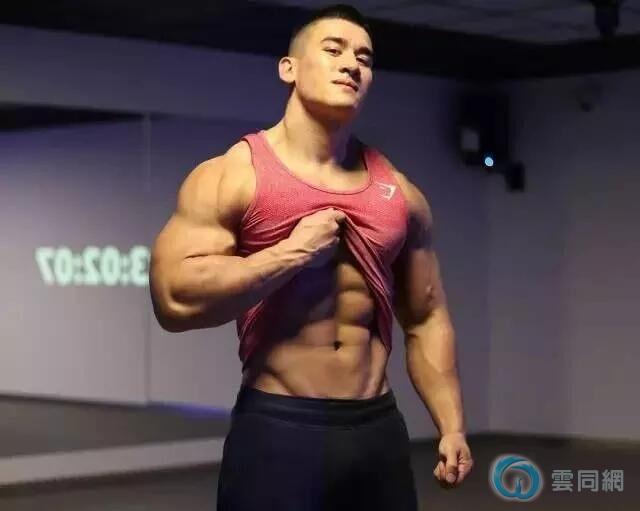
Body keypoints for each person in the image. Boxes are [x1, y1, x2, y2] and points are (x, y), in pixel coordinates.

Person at [149, 4, 473, 510]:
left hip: (376, 427)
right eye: (334, 50)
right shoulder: (234, 175)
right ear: (290, 68)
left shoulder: (400, 193)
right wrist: (291, 253)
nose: (352, 65)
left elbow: (426, 315)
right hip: (279, 426)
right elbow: (173, 299)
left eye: (364, 58)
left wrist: (451, 425)